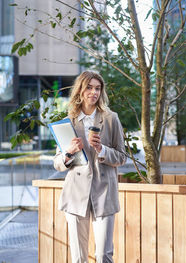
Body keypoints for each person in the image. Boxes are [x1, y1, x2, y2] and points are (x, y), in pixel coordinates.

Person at [53, 70, 126, 263]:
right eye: (89, 88)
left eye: (97, 88)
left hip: (104, 193)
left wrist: (101, 149)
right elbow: (58, 163)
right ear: (80, 91)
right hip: (76, 195)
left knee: (104, 256)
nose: (93, 92)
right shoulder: (68, 121)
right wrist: (69, 152)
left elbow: (121, 156)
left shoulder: (111, 118)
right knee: (78, 258)